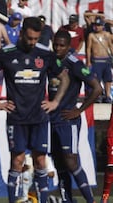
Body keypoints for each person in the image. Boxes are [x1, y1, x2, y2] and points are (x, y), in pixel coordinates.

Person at [0, 17, 69, 203]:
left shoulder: (45, 54)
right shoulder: (6, 53)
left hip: (39, 117)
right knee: (18, 161)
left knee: (40, 161)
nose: (32, 42)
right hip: (17, 117)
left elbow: (65, 79)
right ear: (21, 34)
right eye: (29, 38)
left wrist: (55, 102)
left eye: (36, 39)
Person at [49, 30, 102, 203]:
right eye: (55, 44)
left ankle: (90, 200)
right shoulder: (50, 61)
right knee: (58, 162)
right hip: (53, 118)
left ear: (68, 46)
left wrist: (79, 110)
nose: (57, 48)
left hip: (68, 119)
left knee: (71, 161)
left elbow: (97, 88)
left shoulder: (74, 64)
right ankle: (67, 200)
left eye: (61, 45)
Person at [86, 17, 113, 103]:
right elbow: (88, 48)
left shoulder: (107, 35)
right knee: (96, 79)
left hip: (106, 60)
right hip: (96, 60)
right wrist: (88, 61)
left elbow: (111, 46)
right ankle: (97, 96)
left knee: (108, 80)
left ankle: (107, 96)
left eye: (99, 25)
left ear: (102, 26)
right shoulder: (91, 35)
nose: (97, 27)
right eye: (96, 25)